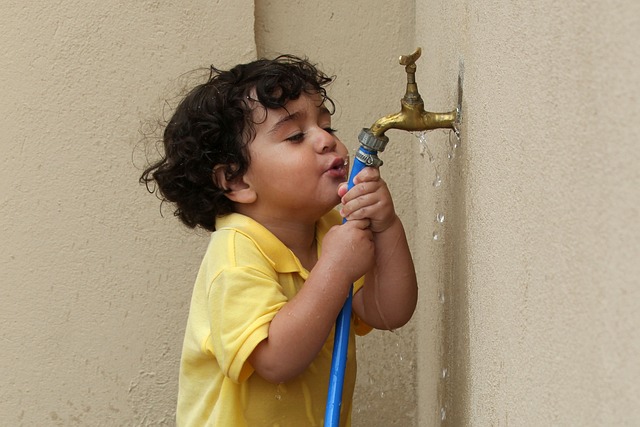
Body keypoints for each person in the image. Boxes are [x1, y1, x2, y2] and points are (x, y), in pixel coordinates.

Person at [140, 54, 418, 427]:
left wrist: (386, 227)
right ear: (236, 181)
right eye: (295, 136)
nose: (326, 141)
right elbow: (275, 360)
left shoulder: (329, 229)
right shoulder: (236, 255)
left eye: (327, 127)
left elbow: (388, 312)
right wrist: (335, 269)